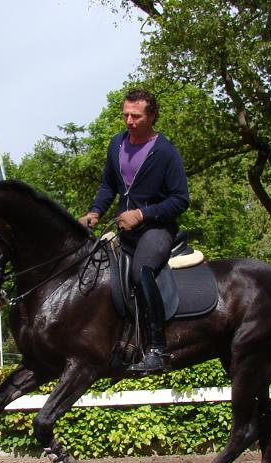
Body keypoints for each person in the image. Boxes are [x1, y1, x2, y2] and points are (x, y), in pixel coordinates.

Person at [79, 88, 189, 374]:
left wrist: (142, 214)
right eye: (125, 114)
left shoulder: (166, 152)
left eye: (136, 116)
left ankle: (156, 350)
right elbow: (108, 186)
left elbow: (180, 200)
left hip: (156, 230)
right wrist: (94, 212)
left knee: (142, 272)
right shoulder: (116, 144)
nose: (128, 120)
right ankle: (117, 343)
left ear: (152, 116)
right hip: (123, 230)